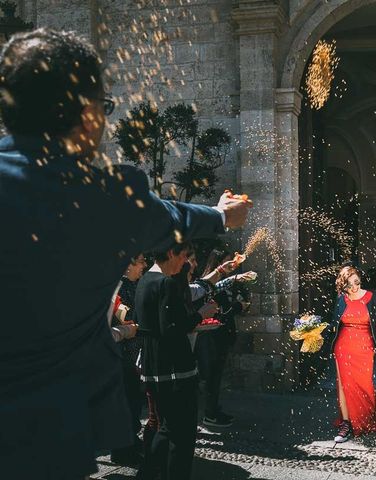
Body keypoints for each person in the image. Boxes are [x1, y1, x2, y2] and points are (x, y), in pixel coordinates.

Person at [0, 29, 251, 479]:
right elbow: (175, 216)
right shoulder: (106, 198)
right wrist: (221, 214)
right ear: (85, 113)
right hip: (49, 433)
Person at [135, 243, 220, 480]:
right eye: (183, 256)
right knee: (181, 436)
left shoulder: (144, 280)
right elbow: (171, 328)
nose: (185, 263)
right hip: (173, 369)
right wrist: (201, 314)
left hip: (154, 367)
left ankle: (148, 473)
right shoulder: (165, 282)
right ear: (171, 253)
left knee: (166, 428)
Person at [195, 249, 253, 429]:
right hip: (212, 336)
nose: (232, 268)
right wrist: (236, 306)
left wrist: (242, 303)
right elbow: (218, 309)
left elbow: (233, 302)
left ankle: (213, 409)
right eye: (228, 264)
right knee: (211, 376)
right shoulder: (209, 284)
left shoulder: (229, 283)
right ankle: (209, 414)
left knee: (217, 376)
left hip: (224, 334)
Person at [330, 266, 376, 443]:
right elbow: (334, 324)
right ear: (343, 285)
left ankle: (366, 418)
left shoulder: (372, 297)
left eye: (356, 283)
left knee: (365, 384)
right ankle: (346, 423)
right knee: (345, 386)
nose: (354, 288)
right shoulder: (341, 299)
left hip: (365, 346)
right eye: (349, 284)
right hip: (343, 346)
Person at [110, 253, 148, 466]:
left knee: (133, 402)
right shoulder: (121, 288)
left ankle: (130, 442)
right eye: (141, 261)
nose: (144, 265)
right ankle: (123, 449)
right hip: (122, 355)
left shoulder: (135, 285)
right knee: (127, 403)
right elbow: (125, 317)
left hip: (132, 354)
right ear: (128, 266)